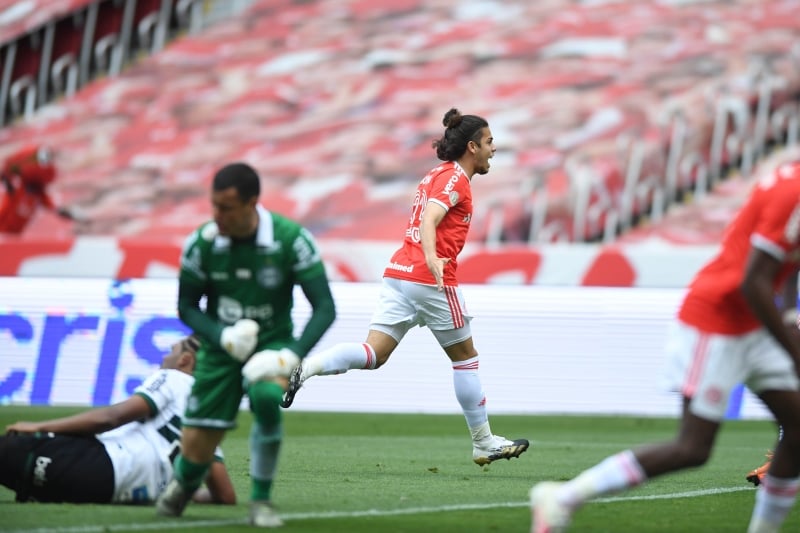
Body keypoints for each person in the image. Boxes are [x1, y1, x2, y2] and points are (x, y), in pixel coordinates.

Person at [530, 160, 800, 533]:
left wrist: (787, 322)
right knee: (693, 449)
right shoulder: (792, 191)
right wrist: (792, 349)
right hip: (717, 323)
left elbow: (788, 262)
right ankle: (563, 497)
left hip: (752, 321)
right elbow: (754, 280)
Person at [280, 108, 529, 466]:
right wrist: (431, 257)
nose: (494, 149)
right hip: (430, 278)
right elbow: (431, 218)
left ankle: (306, 367)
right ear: (472, 146)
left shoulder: (435, 175)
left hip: (398, 273)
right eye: (489, 142)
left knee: (374, 354)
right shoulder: (455, 178)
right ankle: (483, 442)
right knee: (466, 359)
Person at [155, 162, 337, 528]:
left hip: (273, 343)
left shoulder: (291, 240)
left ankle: (260, 502)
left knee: (267, 398)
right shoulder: (202, 245)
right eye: (214, 206)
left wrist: (292, 354)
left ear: (252, 202)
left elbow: (325, 308)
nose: (217, 215)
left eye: (226, 207)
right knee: (197, 448)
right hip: (220, 350)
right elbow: (187, 307)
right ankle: (184, 484)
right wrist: (221, 335)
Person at [0, 335, 235, 505]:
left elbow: (111, 418)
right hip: (113, 494)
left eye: (172, 351)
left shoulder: (173, 378)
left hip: (101, 466)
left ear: (185, 360)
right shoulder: (209, 418)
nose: (166, 356)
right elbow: (225, 496)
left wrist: (39, 426)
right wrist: (179, 492)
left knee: (9, 446)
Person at [0, 144, 78, 233]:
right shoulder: (17, 187)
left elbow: (53, 207)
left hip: (14, 235)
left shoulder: (39, 195)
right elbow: (9, 171)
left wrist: (68, 214)